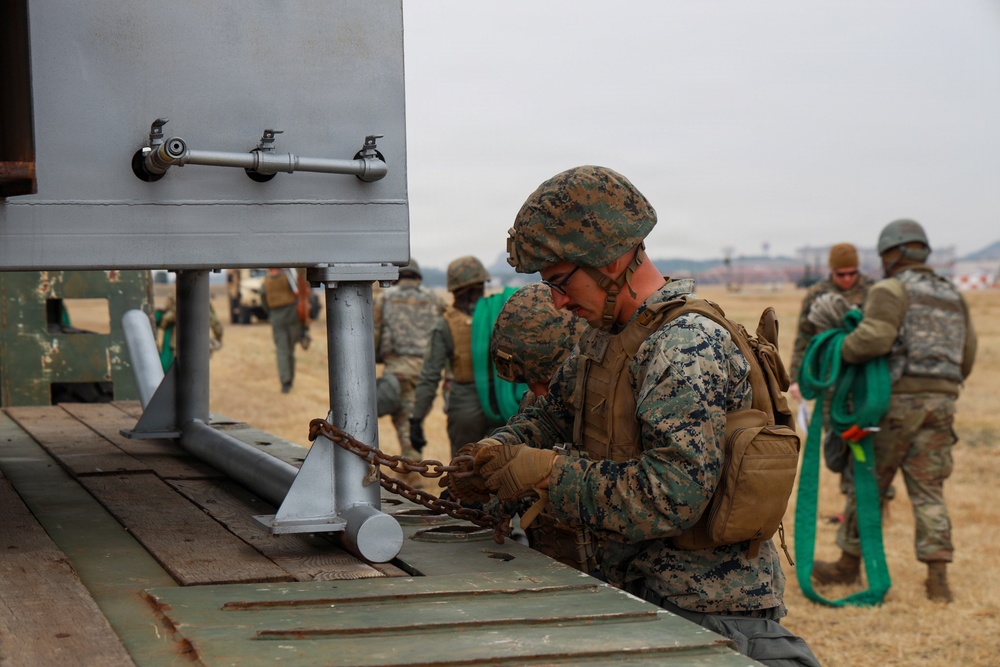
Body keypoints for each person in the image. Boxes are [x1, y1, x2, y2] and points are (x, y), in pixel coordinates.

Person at [449, 165, 818, 666]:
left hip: (702, 608)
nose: (556, 301)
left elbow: (671, 496)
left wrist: (544, 474)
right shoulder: (607, 338)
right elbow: (552, 414)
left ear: (613, 259)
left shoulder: (684, 345)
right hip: (637, 593)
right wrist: (496, 451)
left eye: (560, 281)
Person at [811, 219, 976, 603]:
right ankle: (938, 582)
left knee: (868, 484)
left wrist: (841, 348)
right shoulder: (953, 294)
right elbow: (966, 354)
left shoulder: (891, 288)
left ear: (892, 254)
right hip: (941, 405)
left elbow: (874, 339)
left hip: (893, 407)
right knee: (930, 490)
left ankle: (848, 565)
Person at [488, 281, 593, 570]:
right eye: (529, 383)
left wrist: (551, 473)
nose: (539, 393)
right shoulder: (539, 402)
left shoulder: (613, 402)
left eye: (547, 382)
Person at [411, 256, 504, 458]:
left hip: (465, 406)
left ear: (454, 290)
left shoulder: (446, 323)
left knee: (464, 471)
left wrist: (417, 419)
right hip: (503, 401)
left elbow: (430, 375)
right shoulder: (499, 313)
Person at [373, 259, 445, 458]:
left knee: (406, 423)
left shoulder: (384, 298)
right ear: (418, 276)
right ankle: (412, 465)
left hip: (398, 371)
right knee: (414, 420)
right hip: (427, 374)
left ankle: (414, 473)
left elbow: (374, 335)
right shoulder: (435, 299)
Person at [788, 243, 874, 401]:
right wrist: (796, 378)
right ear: (832, 271)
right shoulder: (817, 294)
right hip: (830, 371)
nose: (847, 278)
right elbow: (804, 338)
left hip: (867, 372)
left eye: (852, 273)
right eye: (841, 274)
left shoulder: (873, 291)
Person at [154, 294, 224, 372]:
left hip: (175, 346)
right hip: (193, 347)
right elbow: (215, 322)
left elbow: (162, 319)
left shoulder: (174, 298)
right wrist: (218, 339)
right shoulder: (201, 297)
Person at [262, 268, 305, 393]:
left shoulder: (266, 282)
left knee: (282, 350)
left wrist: (271, 314)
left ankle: (286, 380)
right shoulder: (287, 277)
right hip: (291, 314)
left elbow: (264, 300)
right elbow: (297, 293)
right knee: (290, 350)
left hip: (276, 316)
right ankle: (289, 378)